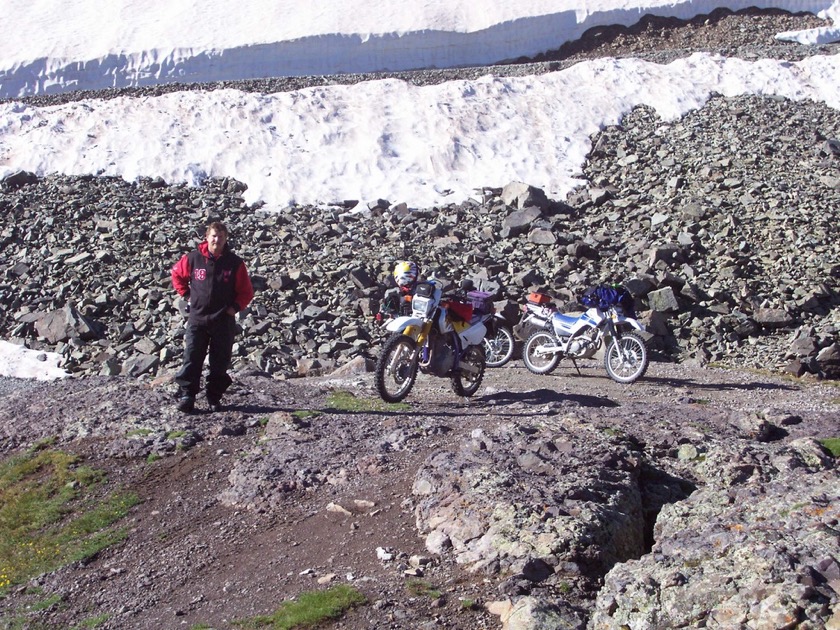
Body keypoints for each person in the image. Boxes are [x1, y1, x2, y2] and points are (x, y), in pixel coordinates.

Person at [171, 221, 254, 413]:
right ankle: (187, 396)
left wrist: (234, 308)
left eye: (221, 237)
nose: (217, 240)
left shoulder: (235, 263)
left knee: (220, 360)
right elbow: (176, 275)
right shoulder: (193, 258)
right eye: (214, 236)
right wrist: (187, 295)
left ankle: (213, 397)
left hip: (222, 319)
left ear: (226, 239)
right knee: (192, 356)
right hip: (197, 318)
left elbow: (246, 291)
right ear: (207, 237)